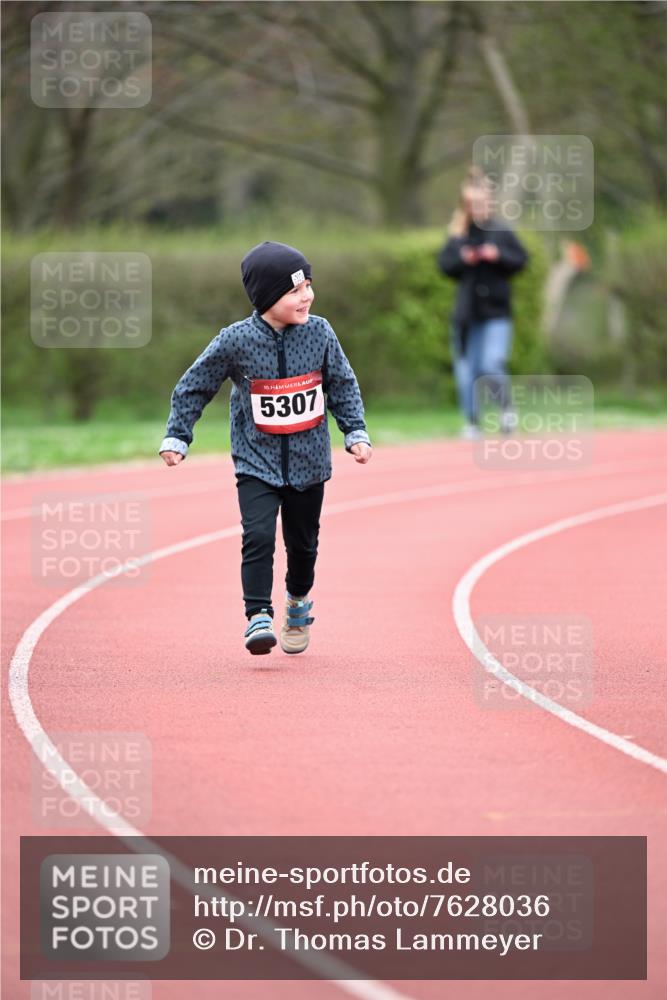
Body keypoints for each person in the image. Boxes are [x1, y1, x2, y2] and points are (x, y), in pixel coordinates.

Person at [159, 241, 372, 656]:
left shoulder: (321, 333)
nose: (307, 296)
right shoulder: (235, 341)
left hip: (309, 464)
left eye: (309, 285)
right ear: (266, 298)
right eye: (294, 291)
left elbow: (342, 383)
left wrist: (355, 431)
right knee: (257, 535)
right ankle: (257, 614)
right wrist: (178, 435)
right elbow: (194, 384)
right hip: (256, 461)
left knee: (303, 544)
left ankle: (296, 601)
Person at [438, 168, 528, 438]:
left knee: (491, 364)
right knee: (468, 372)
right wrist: (463, 258)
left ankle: (506, 410)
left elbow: (521, 260)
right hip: (467, 314)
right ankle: (473, 422)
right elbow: (445, 265)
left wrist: (497, 255)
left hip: (496, 312)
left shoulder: (500, 230)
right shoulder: (458, 233)